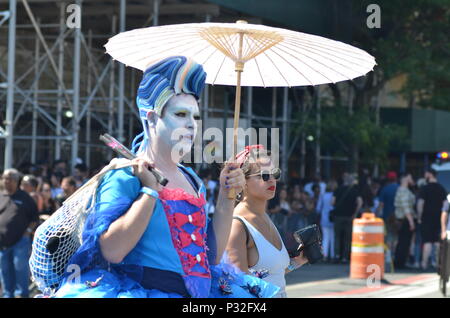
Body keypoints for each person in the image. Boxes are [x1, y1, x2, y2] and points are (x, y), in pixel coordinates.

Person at [52, 56, 279, 298]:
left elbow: (211, 255)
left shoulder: (192, 179)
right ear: (151, 118)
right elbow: (112, 251)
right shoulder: (125, 175)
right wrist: (149, 192)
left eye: (196, 117)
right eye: (181, 114)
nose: (192, 125)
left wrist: (226, 196)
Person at [226, 145, 308, 298]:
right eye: (264, 175)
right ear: (243, 181)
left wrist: (298, 262)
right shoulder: (237, 225)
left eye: (274, 173)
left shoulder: (265, 217)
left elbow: (272, 273)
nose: (272, 180)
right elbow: (240, 287)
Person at [0, 169, 39, 298]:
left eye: (9, 179)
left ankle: (22, 295)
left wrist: (28, 232)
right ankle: (7, 295)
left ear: (17, 181)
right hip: (3, 243)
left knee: (20, 270)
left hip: (20, 242)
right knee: (5, 271)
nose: (6, 181)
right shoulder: (1, 196)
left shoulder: (25, 197)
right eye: (4, 178)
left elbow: (34, 218)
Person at [417, 168, 447, 271]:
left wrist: (419, 217)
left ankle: (424, 264)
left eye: (426, 174)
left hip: (426, 218)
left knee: (427, 242)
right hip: (439, 218)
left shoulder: (425, 188)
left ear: (430, 174)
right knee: (437, 242)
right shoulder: (441, 188)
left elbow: (420, 203)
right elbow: (445, 205)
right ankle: (438, 264)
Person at [331, 173, 363, 263]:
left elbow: (332, 202)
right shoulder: (355, 190)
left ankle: (337, 255)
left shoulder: (338, 189)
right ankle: (345, 257)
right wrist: (355, 213)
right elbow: (360, 202)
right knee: (347, 238)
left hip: (338, 216)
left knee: (337, 237)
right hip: (350, 217)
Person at [393, 173, 416, 269]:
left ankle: (400, 262)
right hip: (404, 219)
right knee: (404, 242)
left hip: (403, 219)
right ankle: (399, 263)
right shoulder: (403, 191)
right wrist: (411, 221)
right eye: (410, 177)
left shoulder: (404, 190)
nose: (412, 179)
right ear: (405, 178)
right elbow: (406, 208)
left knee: (403, 241)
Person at [378, 171, 400, 253]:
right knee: (396, 236)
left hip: (387, 215)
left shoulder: (385, 189)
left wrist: (377, 214)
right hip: (398, 216)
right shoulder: (399, 188)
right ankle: (394, 253)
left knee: (388, 236)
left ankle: (388, 254)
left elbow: (381, 204)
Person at [317, 180, 338, 262]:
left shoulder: (323, 195)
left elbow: (318, 208)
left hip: (324, 217)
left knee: (325, 237)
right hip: (333, 217)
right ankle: (333, 255)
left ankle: (324, 255)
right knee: (333, 237)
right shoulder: (335, 195)